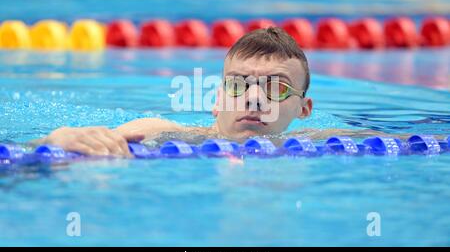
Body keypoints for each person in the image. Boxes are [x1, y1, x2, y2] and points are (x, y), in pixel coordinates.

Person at [36, 27, 380, 157]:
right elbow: (87, 142)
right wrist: (57, 139)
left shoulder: (324, 140)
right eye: (237, 85)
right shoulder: (160, 132)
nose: (254, 98)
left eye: (275, 88)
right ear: (217, 100)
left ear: (303, 109)